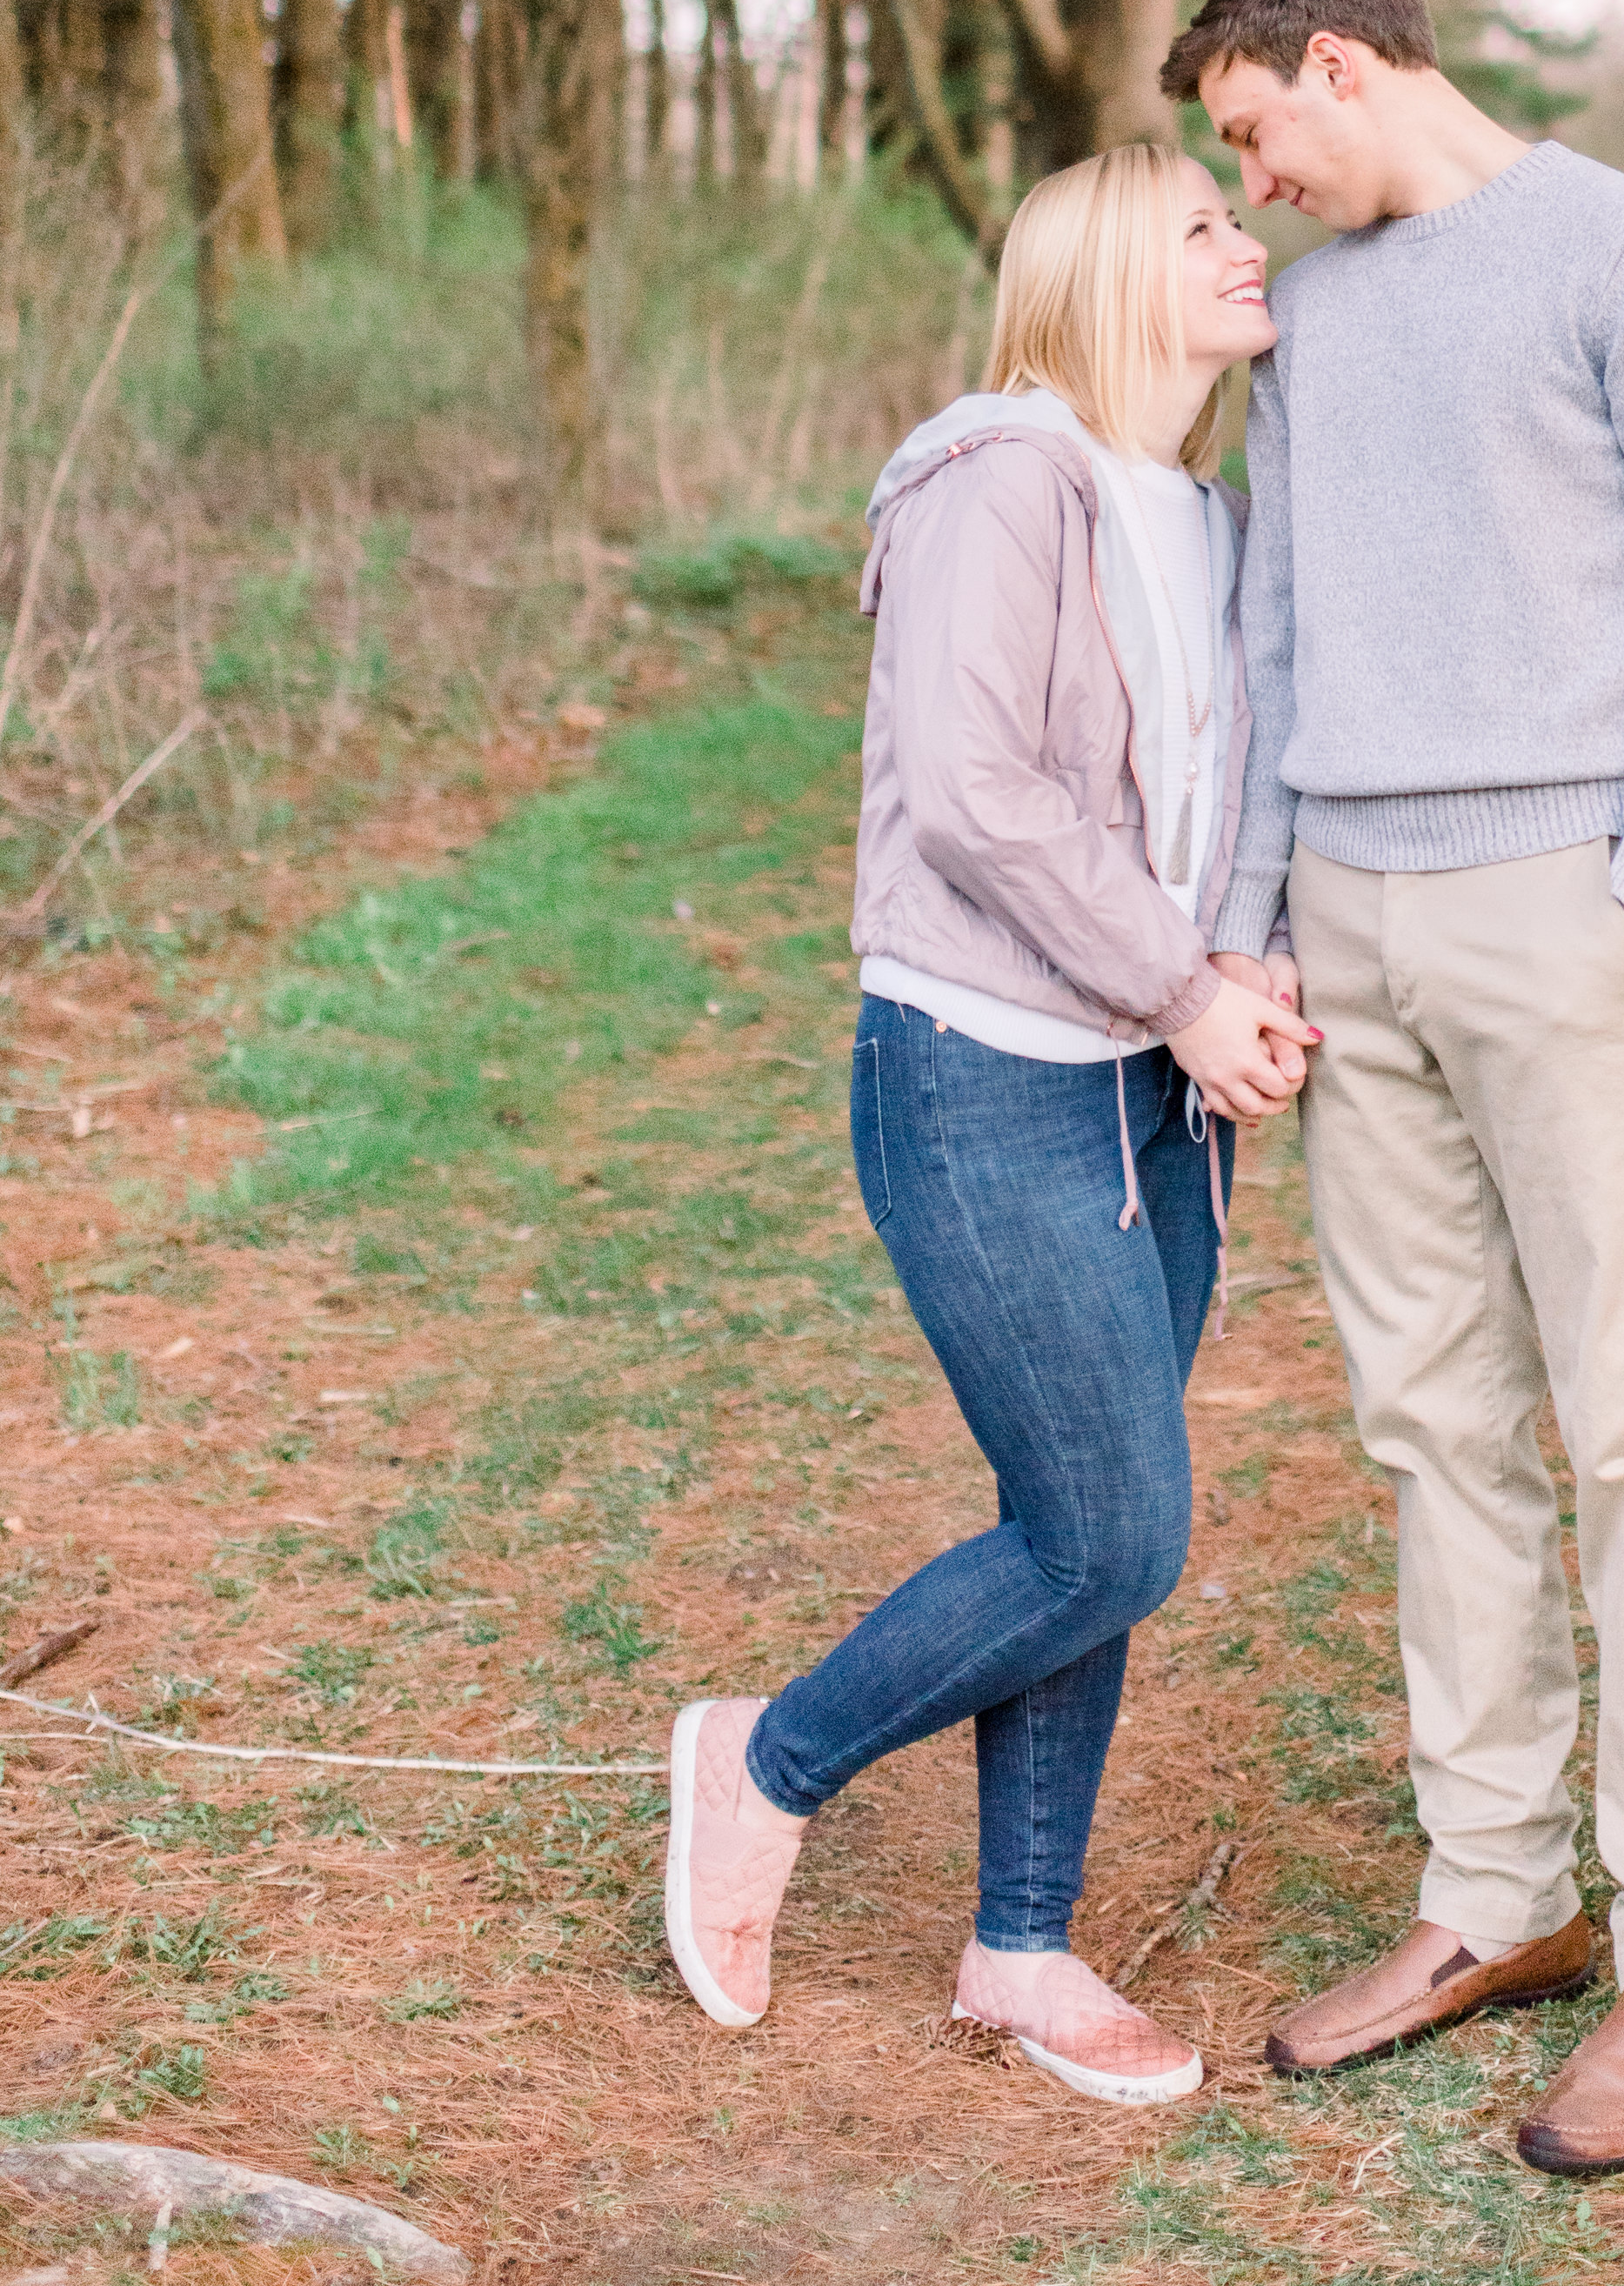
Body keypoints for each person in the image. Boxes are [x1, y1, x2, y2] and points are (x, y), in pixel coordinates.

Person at [1161, 0, 1624, 2179]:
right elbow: (1274, 627)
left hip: (1567, 919)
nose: (1252, 194)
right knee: (1437, 1429)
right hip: (1352, 929)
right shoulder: (1315, 325)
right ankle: (1494, 1901)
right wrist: (1243, 931)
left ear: (1337, 65)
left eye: (1254, 137)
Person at [661, 144, 1312, 2104]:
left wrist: (1247, 974)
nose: (1246, 237)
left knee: (1081, 1524)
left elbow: (1244, 792)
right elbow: (969, 785)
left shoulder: (1208, 513)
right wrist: (1186, 988)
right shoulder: (996, 473)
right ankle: (762, 1763)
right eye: (1204, 223)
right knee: (1111, 1524)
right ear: (1111, 271)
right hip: (986, 1071)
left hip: (1160, 1090)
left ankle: (1020, 1947)